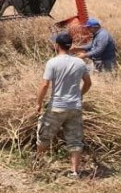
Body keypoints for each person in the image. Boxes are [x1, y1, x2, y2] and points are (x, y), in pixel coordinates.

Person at [35, 32, 92, 178]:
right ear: (70, 46)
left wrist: (38, 103)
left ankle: (38, 162)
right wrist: (79, 95)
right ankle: (74, 171)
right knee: (75, 139)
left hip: (57, 106)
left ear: (56, 45)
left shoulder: (52, 62)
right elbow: (88, 83)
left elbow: (45, 84)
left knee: (44, 136)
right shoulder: (80, 63)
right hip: (75, 107)